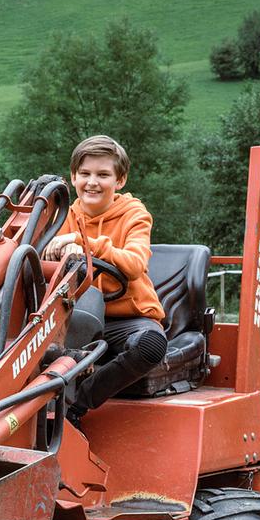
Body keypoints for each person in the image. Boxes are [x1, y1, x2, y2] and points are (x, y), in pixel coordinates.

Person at [42, 135, 167, 412]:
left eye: (103, 174)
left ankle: (76, 406)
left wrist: (83, 243)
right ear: (73, 178)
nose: (92, 182)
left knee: (150, 345)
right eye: (84, 173)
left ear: (119, 180)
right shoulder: (60, 218)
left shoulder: (134, 214)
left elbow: (135, 264)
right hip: (74, 316)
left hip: (125, 319)